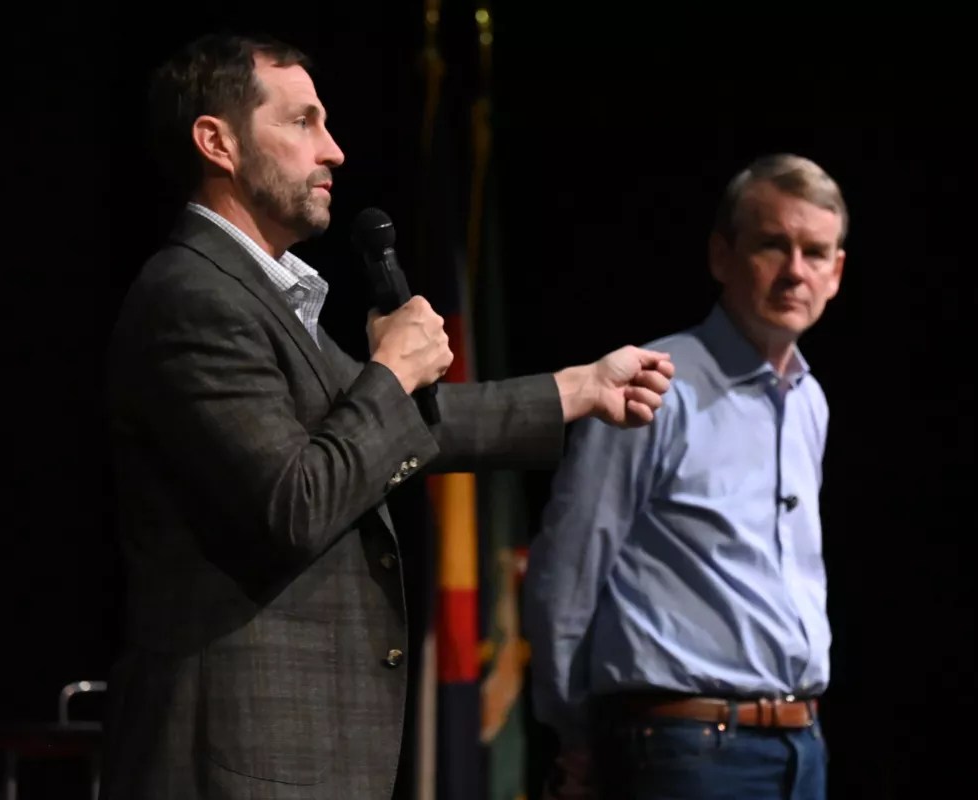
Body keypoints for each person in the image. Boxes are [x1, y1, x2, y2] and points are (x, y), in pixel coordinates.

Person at [99, 32, 674, 800]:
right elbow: (296, 501)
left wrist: (580, 388)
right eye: (302, 122)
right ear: (218, 142)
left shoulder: (256, 294)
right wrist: (393, 369)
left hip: (302, 751)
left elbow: (401, 427)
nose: (333, 150)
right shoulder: (193, 298)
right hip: (236, 756)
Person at [524, 153, 847, 800]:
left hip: (800, 745)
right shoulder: (654, 386)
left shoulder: (810, 400)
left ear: (835, 272)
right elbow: (568, 567)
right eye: (773, 245)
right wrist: (575, 731)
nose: (795, 271)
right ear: (721, 256)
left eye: (815, 253)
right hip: (685, 748)